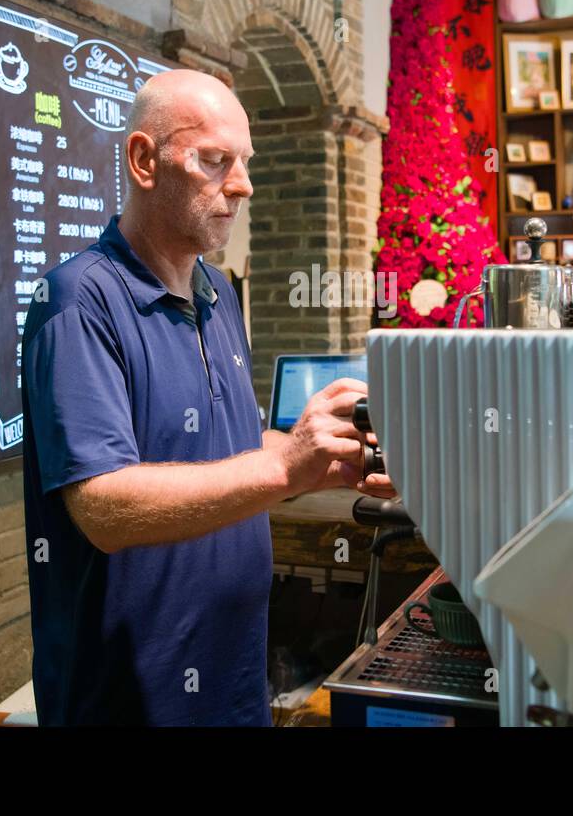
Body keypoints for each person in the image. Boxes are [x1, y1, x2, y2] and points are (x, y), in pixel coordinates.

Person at [21, 69, 395, 725]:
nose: (244, 184)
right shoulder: (80, 302)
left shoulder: (217, 295)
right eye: (216, 160)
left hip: (234, 682)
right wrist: (282, 468)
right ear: (144, 161)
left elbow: (232, 449)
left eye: (244, 163)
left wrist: (329, 455)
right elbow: (103, 505)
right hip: (132, 704)